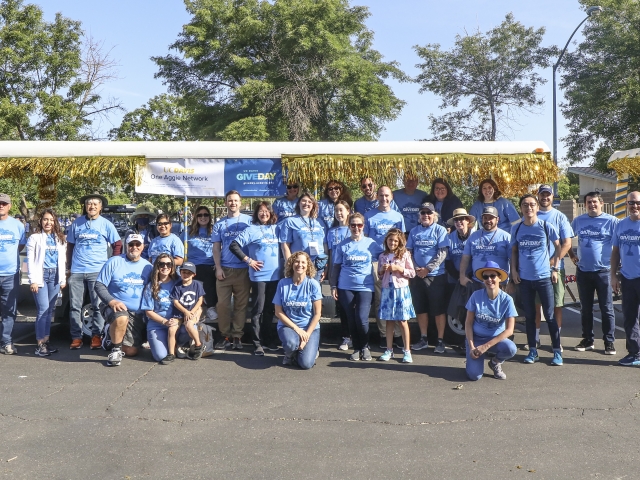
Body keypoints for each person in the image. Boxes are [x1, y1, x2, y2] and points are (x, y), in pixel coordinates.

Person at [509, 194, 562, 365]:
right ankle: (533, 350)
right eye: (525, 205)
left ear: (537, 208)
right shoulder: (516, 229)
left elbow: (559, 246)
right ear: (521, 208)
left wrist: (555, 268)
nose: (529, 208)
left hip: (544, 278)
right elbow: (514, 252)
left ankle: (556, 351)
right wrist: (513, 271)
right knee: (530, 316)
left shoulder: (546, 226)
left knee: (550, 315)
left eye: (532, 204)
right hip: (524, 280)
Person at [67, 194, 122, 350]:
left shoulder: (106, 224)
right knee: (75, 306)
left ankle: (96, 336)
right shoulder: (76, 224)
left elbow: (117, 244)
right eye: (88, 204)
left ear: (100, 207)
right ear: (85, 206)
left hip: (97, 271)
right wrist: (69, 265)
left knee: (98, 306)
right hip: (77, 270)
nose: (91, 206)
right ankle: (76, 337)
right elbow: (70, 246)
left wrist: (112, 263)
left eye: (95, 204)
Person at [568, 192, 618, 355]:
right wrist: (572, 255)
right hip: (583, 272)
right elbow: (566, 238)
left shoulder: (611, 221)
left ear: (601, 203)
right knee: (586, 308)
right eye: (589, 202)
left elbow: (620, 243)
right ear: (585, 204)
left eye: (595, 202)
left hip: (603, 271)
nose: (592, 205)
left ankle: (609, 341)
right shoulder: (579, 221)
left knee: (607, 308)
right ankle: (588, 339)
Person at [230, 201, 281, 355]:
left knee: (269, 310)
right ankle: (257, 343)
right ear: (256, 213)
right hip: (259, 276)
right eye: (261, 211)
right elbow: (234, 245)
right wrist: (249, 260)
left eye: (267, 211)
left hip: (276, 275)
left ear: (271, 213)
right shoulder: (251, 229)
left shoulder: (276, 228)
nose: (264, 213)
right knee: (258, 310)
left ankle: (268, 340)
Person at [331, 212, 383, 361]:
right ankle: (357, 348)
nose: (356, 228)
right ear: (349, 226)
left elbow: (385, 255)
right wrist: (334, 286)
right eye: (353, 225)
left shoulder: (371, 243)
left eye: (359, 225)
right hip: (345, 286)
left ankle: (365, 346)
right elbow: (336, 267)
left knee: (362, 318)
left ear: (363, 226)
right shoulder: (342, 245)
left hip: (366, 287)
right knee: (351, 318)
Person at [528, 184, 574, 352]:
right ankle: (536, 338)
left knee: (556, 305)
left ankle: (557, 339)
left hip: (554, 269)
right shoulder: (530, 215)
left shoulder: (560, 217)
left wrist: (552, 261)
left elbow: (567, 243)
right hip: (533, 271)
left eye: (548, 194)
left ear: (552, 196)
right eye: (542, 194)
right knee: (536, 306)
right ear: (537, 196)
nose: (545, 197)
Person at [95, 233, 152, 366]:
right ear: (126, 246)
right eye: (131, 244)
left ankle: (110, 336)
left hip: (137, 312)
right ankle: (115, 351)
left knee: (132, 351)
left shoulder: (148, 266)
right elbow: (99, 285)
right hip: (114, 306)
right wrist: (111, 301)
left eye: (137, 244)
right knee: (121, 317)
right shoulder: (114, 262)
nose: (134, 247)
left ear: (143, 247)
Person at [364, 186, 405, 349]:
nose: (384, 198)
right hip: (377, 260)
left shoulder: (398, 216)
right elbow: (365, 239)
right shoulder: (369, 215)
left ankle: (398, 334)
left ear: (392, 196)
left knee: (396, 297)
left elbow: (402, 240)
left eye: (387, 195)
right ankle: (383, 334)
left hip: (395, 261)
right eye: (381, 195)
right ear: (377, 196)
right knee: (382, 299)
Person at [464, 261, 518, 381]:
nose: (489, 279)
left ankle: (495, 362)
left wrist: (486, 346)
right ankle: (471, 360)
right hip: (476, 339)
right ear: (483, 280)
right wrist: (472, 346)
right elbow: (468, 323)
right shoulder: (476, 296)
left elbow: (510, 330)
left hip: (495, 341)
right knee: (474, 376)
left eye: (492, 276)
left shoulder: (507, 300)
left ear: (499, 278)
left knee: (511, 348)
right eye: (485, 276)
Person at [407, 202, 449, 354]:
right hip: (418, 276)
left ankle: (440, 341)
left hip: (436, 276)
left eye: (428, 213)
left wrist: (428, 268)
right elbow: (409, 252)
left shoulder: (440, 230)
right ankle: (423, 339)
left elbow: (442, 253)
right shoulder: (414, 231)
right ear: (419, 216)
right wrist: (416, 268)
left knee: (438, 310)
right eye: (423, 213)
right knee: (421, 309)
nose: (425, 215)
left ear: (434, 215)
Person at [212, 190, 252, 350]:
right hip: (225, 270)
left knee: (241, 306)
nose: (233, 203)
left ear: (240, 203)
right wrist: (218, 268)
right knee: (223, 305)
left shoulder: (250, 221)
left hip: (243, 270)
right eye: (230, 200)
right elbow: (216, 249)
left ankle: (237, 336)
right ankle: (225, 336)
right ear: (225, 203)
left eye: (235, 200)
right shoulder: (219, 224)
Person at [26, 209, 67, 356]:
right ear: (40, 221)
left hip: (55, 276)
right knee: (43, 309)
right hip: (41, 276)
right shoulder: (35, 238)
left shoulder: (60, 238)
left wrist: (62, 279)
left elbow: (62, 260)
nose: (48, 222)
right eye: (45, 219)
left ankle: (46, 341)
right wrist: (33, 280)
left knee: (50, 311)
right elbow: (30, 260)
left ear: (55, 222)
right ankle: (40, 344)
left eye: (51, 220)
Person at [273, 252, 323, 369]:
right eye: (297, 261)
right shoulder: (283, 284)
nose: (299, 265)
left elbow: (317, 314)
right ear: (291, 264)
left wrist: (306, 335)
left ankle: (309, 350)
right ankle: (290, 353)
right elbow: (278, 312)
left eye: (303, 262)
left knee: (306, 364)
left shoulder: (313, 284)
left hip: (309, 328)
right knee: (291, 344)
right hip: (288, 326)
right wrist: (297, 330)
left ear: (308, 266)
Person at [142, 254, 190, 364]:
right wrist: (165, 322)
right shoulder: (151, 286)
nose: (165, 267)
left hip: (177, 322)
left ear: (173, 266)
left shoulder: (179, 282)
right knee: (161, 356)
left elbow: (194, 299)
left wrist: (179, 320)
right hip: (158, 324)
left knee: (191, 326)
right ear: (157, 266)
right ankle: (170, 347)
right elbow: (148, 312)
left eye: (168, 264)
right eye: (161, 264)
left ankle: (179, 345)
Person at [377, 229, 416, 363]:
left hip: (401, 290)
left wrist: (398, 269)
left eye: (395, 240)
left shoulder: (404, 254)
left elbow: (412, 273)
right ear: (386, 241)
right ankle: (389, 350)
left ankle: (407, 351)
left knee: (402, 321)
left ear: (399, 242)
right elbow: (379, 275)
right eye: (390, 240)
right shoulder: (382, 256)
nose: (392, 243)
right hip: (388, 290)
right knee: (389, 321)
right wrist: (382, 270)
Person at [611, 191, 640, 366]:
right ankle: (635, 353)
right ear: (626, 204)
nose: (635, 206)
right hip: (627, 278)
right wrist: (613, 275)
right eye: (631, 203)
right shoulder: (621, 225)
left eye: (638, 203)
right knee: (630, 317)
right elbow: (615, 252)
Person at [459, 206, 512, 291]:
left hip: (500, 284)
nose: (487, 221)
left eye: (491, 218)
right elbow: (465, 258)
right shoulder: (473, 237)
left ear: (497, 219)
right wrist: (462, 277)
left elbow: (513, 260)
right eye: (485, 218)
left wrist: (512, 281)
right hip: (477, 284)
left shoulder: (506, 237)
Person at [279, 191, 327, 281]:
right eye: (304, 201)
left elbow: (324, 245)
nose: (306, 204)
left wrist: (325, 266)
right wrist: (290, 264)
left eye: (309, 202)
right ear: (299, 204)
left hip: (317, 264)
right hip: (299, 264)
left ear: (313, 205)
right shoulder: (290, 221)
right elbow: (285, 245)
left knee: (314, 292)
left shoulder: (319, 222)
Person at [0, 193, 26, 355]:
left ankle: (6, 342)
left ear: (9, 206)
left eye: (4, 203)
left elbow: (21, 246)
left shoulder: (18, 226)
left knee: (9, 310)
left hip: (10, 274)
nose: (1, 205)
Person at [326, 201, 352, 351]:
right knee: (343, 308)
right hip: (338, 273)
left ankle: (357, 336)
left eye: (342, 210)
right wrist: (331, 277)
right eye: (337, 211)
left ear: (348, 211)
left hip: (352, 273)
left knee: (353, 307)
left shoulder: (355, 228)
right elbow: (330, 254)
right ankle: (346, 337)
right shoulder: (331, 232)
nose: (339, 213)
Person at [187, 205, 218, 322]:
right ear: (195, 217)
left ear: (209, 217)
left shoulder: (214, 230)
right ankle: (196, 306)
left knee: (210, 273)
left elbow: (221, 247)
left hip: (210, 263)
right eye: (200, 215)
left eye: (206, 214)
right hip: (193, 264)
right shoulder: (188, 231)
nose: (203, 217)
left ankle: (210, 306)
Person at [170, 261, 205, 360]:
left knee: (189, 325)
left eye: (189, 273)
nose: (186, 275)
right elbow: (176, 302)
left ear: (194, 274)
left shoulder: (197, 285)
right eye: (184, 272)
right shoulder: (177, 286)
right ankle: (174, 349)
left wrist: (192, 312)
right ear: (180, 272)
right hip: (179, 313)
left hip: (191, 312)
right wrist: (185, 311)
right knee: (172, 328)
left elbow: (200, 299)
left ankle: (198, 345)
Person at [444, 208, 475, 285]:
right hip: (454, 279)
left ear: (467, 220)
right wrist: (459, 277)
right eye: (456, 220)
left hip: (474, 278)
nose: (458, 222)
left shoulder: (476, 236)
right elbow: (447, 261)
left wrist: (468, 276)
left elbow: (478, 258)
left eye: (461, 219)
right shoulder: (449, 238)